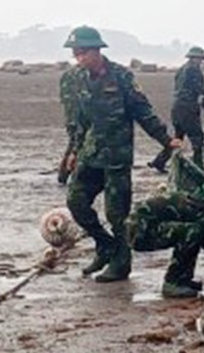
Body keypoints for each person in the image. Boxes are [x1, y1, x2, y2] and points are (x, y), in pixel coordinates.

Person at [64, 26, 181, 283]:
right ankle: (105, 245)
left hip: (117, 158)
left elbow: (143, 112)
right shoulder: (75, 80)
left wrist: (165, 139)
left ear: (97, 50)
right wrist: (72, 151)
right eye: (76, 53)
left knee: (117, 215)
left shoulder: (121, 77)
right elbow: (78, 121)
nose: (80, 58)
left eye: (84, 52)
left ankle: (121, 262)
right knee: (76, 202)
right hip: (89, 155)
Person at [127, 172, 204, 299]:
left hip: (141, 228)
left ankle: (183, 279)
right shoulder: (198, 208)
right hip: (140, 233)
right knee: (193, 232)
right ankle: (173, 282)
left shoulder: (195, 199)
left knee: (194, 234)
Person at [170, 46, 204, 171]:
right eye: (199, 59)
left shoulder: (181, 69)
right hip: (188, 107)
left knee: (178, 138)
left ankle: (160, 161)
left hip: (176, 105)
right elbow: (199, 89)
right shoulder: (194, 71)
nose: (200, 61)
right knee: (197, 137)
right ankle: (199, 165)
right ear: (195, 58)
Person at [57, 65, 81, 185]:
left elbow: (64, 99)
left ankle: (63, 176)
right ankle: (65, 175)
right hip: (78, 118)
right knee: (76, 147)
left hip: (72, 118)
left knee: (73, 145)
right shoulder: (80, 75)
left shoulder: (67, 75)